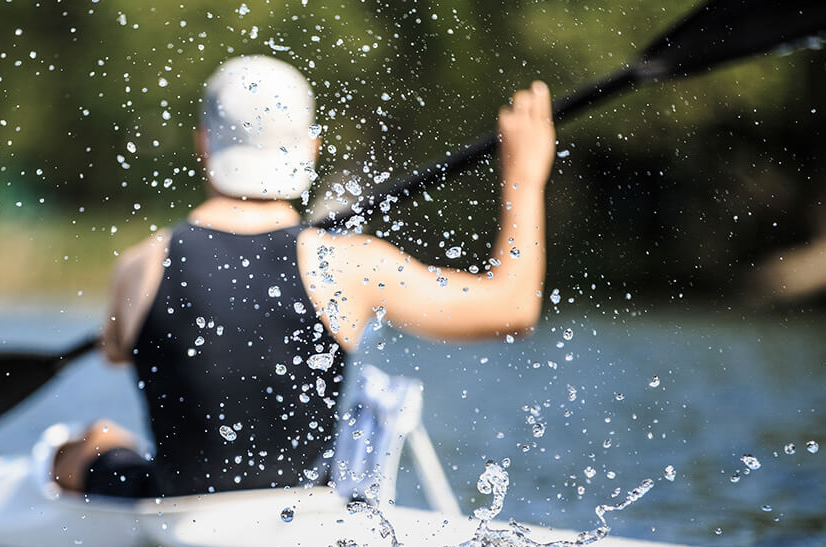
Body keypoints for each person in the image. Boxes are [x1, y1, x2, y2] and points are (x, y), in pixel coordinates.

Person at [53, 55, 555, 497]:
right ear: (311, 148)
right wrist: (524, 179)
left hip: (172, 506)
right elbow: (513, 308)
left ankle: (89, 448)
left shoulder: (141, 264)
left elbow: (117, 350)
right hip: (298, 521)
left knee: (81, 450)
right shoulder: (349, 266)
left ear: (204, 144)